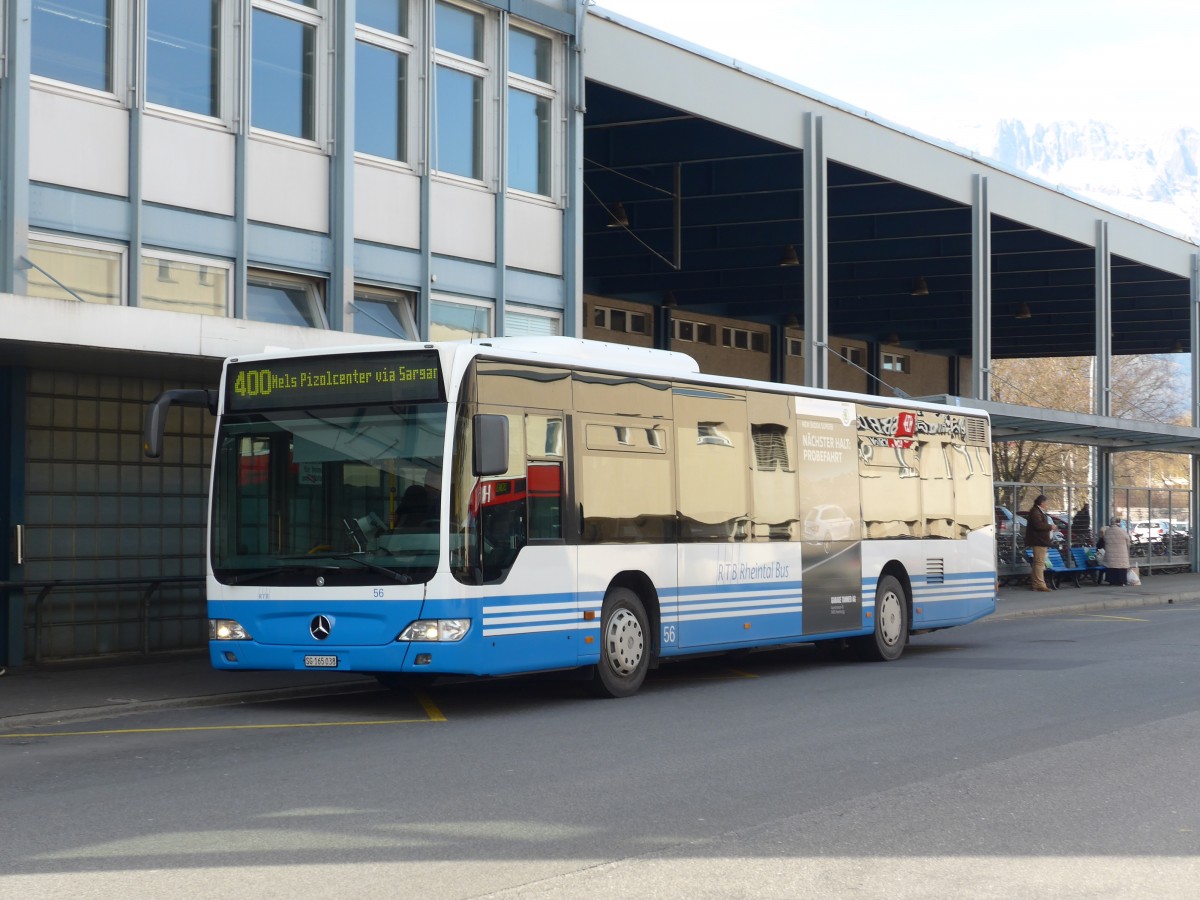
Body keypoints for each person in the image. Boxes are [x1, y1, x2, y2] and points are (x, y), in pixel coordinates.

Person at [1025, 494, 1053, 592]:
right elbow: (1038, 525)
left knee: (1037, 562)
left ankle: (1036, 583)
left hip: (1038, 540)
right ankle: (1040, 584)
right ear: (1042, 503)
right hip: (1039, 540)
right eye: (1046, 503)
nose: (1047, 505)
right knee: (1039, 563)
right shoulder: (1036, 512)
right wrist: (1050, 527)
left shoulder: (1036, 511)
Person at [1098, 516, 1131, 586]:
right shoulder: (1122, 531)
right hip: (1122, 553)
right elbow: (1128, 541)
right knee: (1121, 567)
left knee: (1112, 567)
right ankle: (1122, 581)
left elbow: (1102, 534)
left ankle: (1112, 581)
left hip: (1110, 555)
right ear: (1118, 522)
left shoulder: (1107, 531)